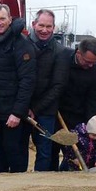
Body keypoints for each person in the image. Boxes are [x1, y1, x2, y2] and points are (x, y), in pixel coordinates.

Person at [0, 4, 36, 173]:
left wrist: (17, 112)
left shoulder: (21, 44)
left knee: (15, 152)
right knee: (1, 152)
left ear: (10, 19)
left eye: (2, 19)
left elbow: (27, 81)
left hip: (13, 113)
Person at [26, 9, 70, 172]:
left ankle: (41, 183)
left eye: (48, 26)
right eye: (41, 25)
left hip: (46, 110)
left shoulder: (60, 52)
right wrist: (24, 106)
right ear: (34, 24)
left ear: (54, 28)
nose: (44, 30)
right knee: (19, 147)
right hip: (22, 107)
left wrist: (35, 109)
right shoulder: (23, 45)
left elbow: (58, 86)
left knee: (45, 149)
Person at [54, 38, 96, 170]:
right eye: (87, 62)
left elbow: (93, 99)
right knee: (52, 149)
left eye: (94, 62)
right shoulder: (62, 58)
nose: (90, 65)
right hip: (56, 111)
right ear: (79, 53)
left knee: (77, 152)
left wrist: (90, 124)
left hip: (79, 116)